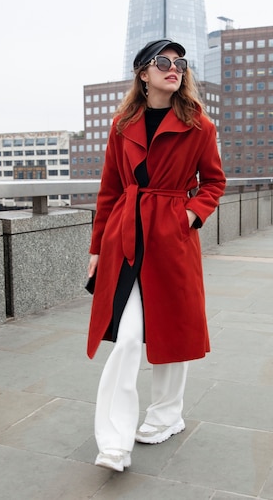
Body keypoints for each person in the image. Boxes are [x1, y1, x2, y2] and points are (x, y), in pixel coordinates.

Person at [86, 38, 226, 472]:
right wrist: (96, 247)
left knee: (172, 333)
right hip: (125, 239)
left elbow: (214, 183)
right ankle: (113, 442)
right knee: (127, 338)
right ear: (143, 74)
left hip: (171, 239)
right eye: (163, 62)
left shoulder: (199, 124)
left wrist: (188, 216)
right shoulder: (121, 124)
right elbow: (109, 190)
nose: (174, 68)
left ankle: (167, 415)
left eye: (180, 63)